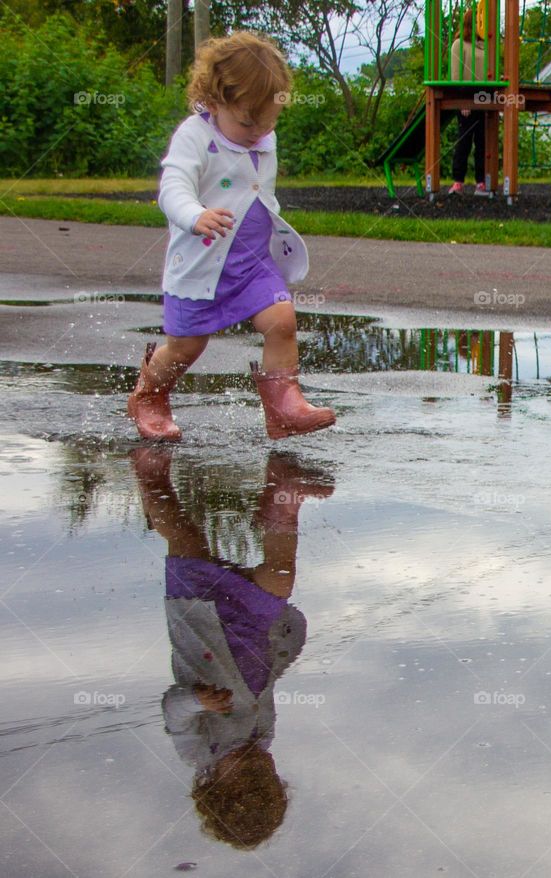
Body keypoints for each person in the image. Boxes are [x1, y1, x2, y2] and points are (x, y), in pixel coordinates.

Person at [128, 31, 335, 443]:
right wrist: (195, 215)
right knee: (187, 347)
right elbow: (172, 188)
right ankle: (149, 396)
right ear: (214, 100)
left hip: (255, 263)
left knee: (281, 320)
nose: (260, 131)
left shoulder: (261, 135)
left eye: (270, 120)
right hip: (201, 267)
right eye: (247, 121)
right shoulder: (195, 136)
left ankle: (284, 407)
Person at [131, 448, 334, 849]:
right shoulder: (263, 737)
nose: (258, 762)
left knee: (186, 538)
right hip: (251, 629)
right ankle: (282, 492)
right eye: (266, 773)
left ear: (211, 786)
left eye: (245, 775)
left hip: (200, 621)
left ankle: (149, 474)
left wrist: (198, 700)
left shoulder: (197, 751)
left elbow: (173, 710)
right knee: (280, 576)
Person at [449, 9, 489, 196]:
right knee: (464, 140)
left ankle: (481, 182)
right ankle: (458, 181)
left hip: (483, 96)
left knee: (482, 141)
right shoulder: (459, 44)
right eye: (481, 21)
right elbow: (456, 75)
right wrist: (462, 101)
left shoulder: (485, 46)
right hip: (466, 94)